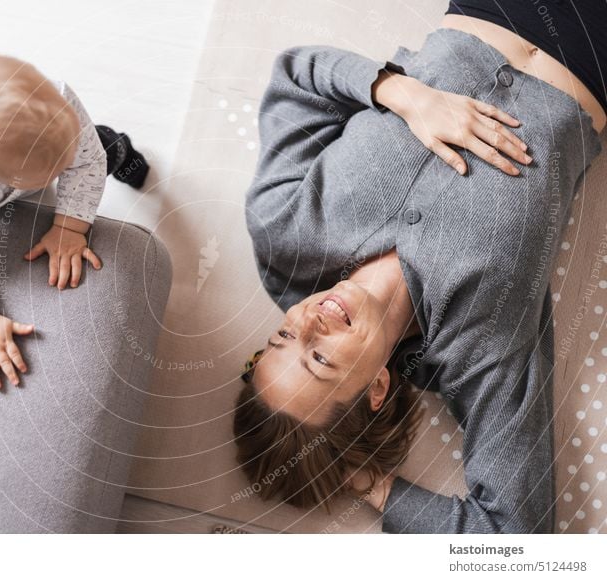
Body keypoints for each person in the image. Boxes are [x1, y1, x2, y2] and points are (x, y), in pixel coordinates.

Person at [234, 2, 605, 533]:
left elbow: (298, 75)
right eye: (318, 357)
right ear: (377, 390)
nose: (306, 322)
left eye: (281, 338)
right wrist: (370, 483)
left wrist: (405, 95)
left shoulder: (282, 233)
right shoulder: (476, 353)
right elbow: (518, 545)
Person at [0, 54, 149, 390]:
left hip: (86, 146)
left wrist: (70, 226)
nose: (64, 170)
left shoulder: (58, 100)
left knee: (105, 147)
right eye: (54, 169)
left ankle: (126, 151)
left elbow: (86, 165)